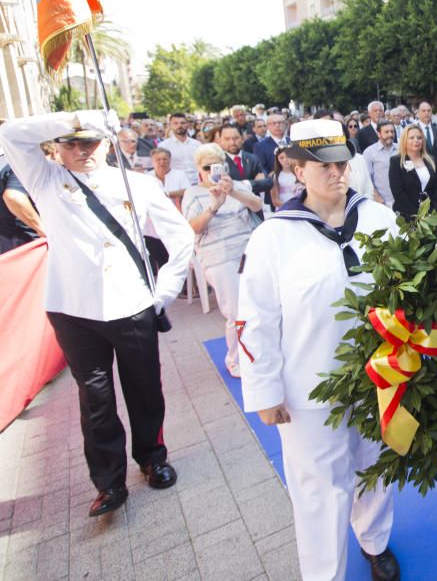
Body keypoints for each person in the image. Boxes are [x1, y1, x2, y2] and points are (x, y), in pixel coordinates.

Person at [0, 111, 194, 517]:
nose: (82, 150)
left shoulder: (135, 184)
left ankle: (153, 458)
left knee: (144, 388)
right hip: (73, 309)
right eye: (72, 143)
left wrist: (164, 292)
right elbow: (12, 134)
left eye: (90, 141)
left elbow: (181, 236)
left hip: (131, 303)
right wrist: (71, 119)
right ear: (57, 148)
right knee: (95, 399)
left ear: (107, 143)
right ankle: (109, 483)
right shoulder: (45, 179)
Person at [236, 119, 400, 581]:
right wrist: (264, 390)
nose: (337, 173)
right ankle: (325, 573)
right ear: (296, 168)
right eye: (323, 164)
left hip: (378, 378)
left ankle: (375, 542)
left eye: (342, 162)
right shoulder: (274, 236)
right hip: (310, 392)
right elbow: (257, 318)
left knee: (375, 467)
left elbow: (409, 293)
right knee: (319, 492)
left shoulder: (379, 219)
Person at [183, 144, 262, 377]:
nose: (211, 172)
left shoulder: (235, 186)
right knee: (237, 311)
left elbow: (257, 205)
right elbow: (192, 228)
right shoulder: (193, 193)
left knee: (259, 306)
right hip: (218, 256)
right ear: (199, 169)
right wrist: (213, 207)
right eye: (206, 168)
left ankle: (257, 352)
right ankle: (235, 358)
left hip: (249, 251)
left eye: (216, 166)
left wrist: (233, 192)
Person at [0, 141, 57, 253]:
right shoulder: (27, 166)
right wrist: (43, 230)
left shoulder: (6, 161)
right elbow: (13, 196)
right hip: (22, 241)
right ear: (55, 152)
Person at [389, 124, 437, 220]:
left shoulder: (432, 160)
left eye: (419, 138)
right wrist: (417, 215)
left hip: (430, 216)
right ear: (405, 140)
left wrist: (433, 212)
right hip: (407, 216)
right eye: (411, 138)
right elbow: (398, 193)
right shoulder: (396, 162)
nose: (416, 141)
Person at [220, 124, 271, 198]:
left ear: (242, 138)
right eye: (227, 139)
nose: (232, 142)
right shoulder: (218, 161)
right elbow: (222, 187)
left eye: (236, 138)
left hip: (254, 205)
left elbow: (268, 182)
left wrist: (236, 185)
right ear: (221, 141)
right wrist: (251, 183)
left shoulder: (252, 158)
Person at [364, 121, 399, 207]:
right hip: (382, 202)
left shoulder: (400, 149)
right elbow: (367, 178)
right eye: (386, 132)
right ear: (379, 134)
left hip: (400, 200)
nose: (390, 134)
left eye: (392, 131)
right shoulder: (369, 152)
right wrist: (377, 196)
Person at [159, 113, 200, 184]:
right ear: (170, 126)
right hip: (175, 185)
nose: (179, 126)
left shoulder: (197, 144)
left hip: (196, 183)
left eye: (182, 123)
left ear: (187, 125)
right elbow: (161, 168)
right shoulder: (164, 146)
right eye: (175, 123)